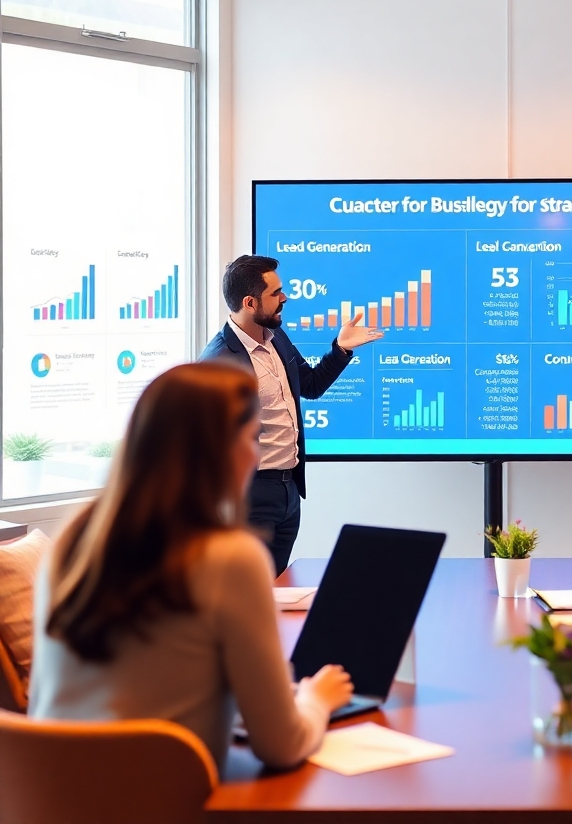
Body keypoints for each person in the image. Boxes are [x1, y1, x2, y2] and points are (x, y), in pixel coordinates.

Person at [29, 362, 353, 771]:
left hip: (50, 795)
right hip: (161, 800)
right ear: (217, 451)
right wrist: (315, 699)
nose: (256, 453)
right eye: (254, 436)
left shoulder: (75, 540)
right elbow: (282, 745)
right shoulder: (231, 557)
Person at [201, 255, 382, 575]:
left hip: (288, 491)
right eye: (276, 293)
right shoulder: (219, 361)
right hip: (250, 496)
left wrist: (340, 349)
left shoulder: (275, 337)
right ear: (249, 302)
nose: (285, 298)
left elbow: (310, 385)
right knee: (249, 593)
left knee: (277, 588)